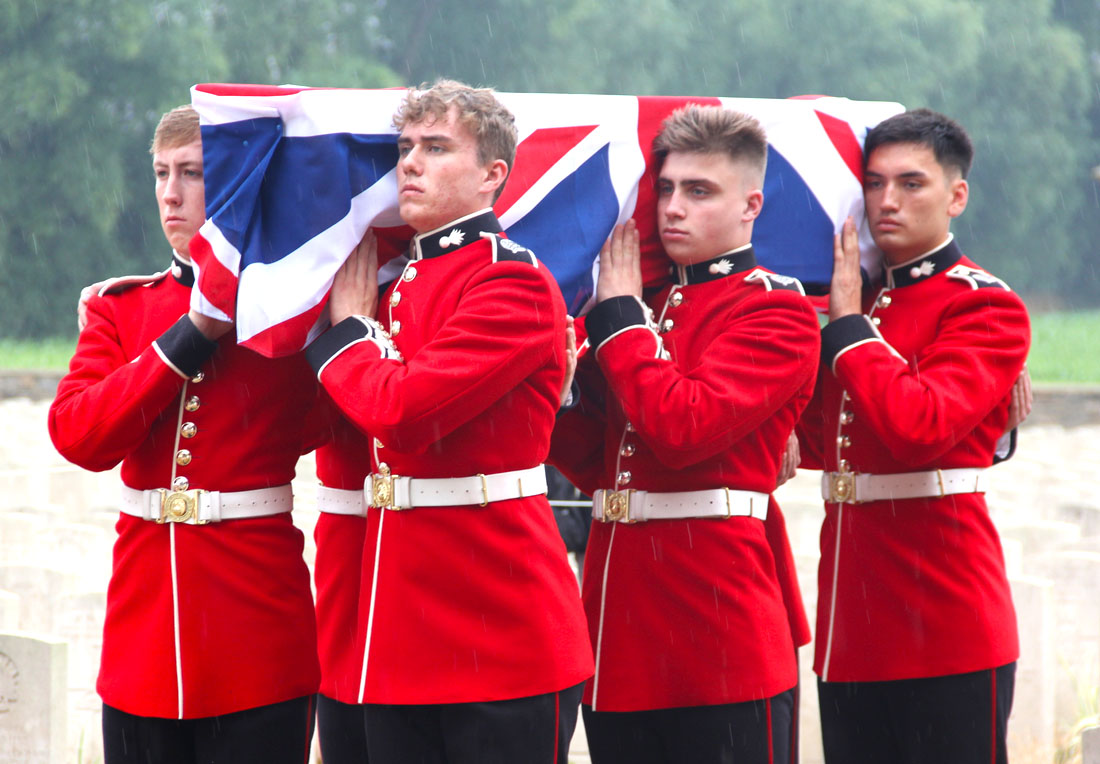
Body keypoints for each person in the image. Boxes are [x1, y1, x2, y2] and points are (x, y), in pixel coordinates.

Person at [304, 79, 593, 764]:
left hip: (501, 631)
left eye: (436, 147)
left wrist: (347, 337)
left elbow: (400, 412)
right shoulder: (395, 281)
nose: (410, 162)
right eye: (406, 148)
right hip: (395, 634)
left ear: (494, 175)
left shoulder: (512, 282)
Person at [49, 105, 322, 764]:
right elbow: (80, 436)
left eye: (193, 174)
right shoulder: (123, 307)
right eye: (161, 173)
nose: (170, 193)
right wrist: (190, 336)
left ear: (230, 182)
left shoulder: (293, 312)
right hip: (143, 640)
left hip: (255, 632)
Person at [550, 104, 820, 764]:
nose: (673, 207)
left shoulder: (776, 309)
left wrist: (617, 321)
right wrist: (555, 392)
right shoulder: (647, 306)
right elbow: (599, 464)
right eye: (666, 189)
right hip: (620, 628)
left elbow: (680, 426)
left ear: (750, 205)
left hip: (718, 628)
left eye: (699, 191)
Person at [797, 108, 1030, 764]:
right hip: (852, 629)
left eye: (910, 183)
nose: (886, 201)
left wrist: (846, 330)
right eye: (873, 184)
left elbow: (917, 425)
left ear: (957, 195)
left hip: (945, 627)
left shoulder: (983, 304)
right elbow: (822, 444)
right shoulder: (859, 302)